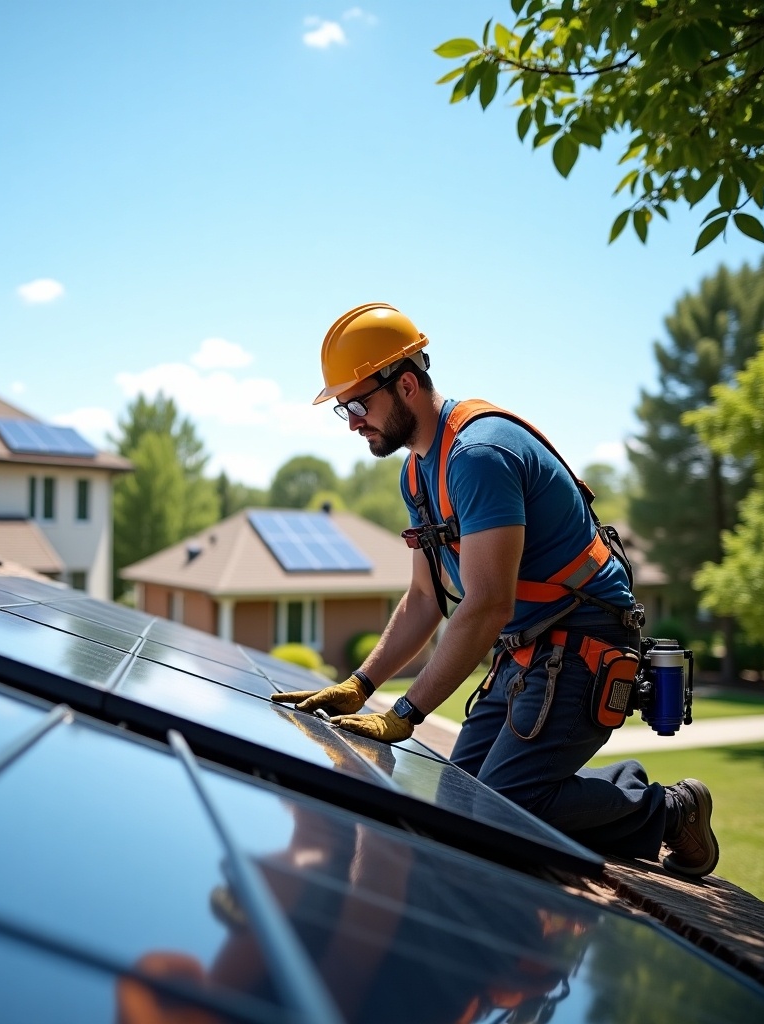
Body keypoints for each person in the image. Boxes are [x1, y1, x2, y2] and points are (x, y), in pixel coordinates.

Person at [272, 302, 719, 877]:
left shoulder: (479, 456)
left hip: (582, 640)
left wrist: (407, 711)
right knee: (460, 801)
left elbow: (486, 603)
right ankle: (623, 789)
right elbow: (425, 600)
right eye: (343, 410)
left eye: (358, 403)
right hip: (525, 649)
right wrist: (360, 686)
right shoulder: (417, 472)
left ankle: (670, 810)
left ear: (405, 384)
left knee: (503, 812)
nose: (353, 421)